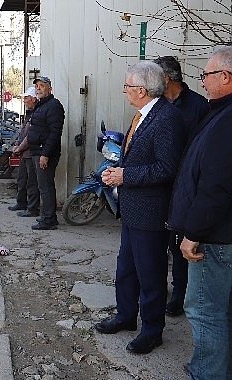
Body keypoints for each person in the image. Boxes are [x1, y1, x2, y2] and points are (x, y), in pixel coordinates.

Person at [94, 61, 185, 355]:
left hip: (151, 213)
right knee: (126, 270)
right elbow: (136, 159)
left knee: (151, 274)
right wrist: (117, 171)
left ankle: (152, 330)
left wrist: (126, 176)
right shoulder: (142, 116)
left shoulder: (166, 118)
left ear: (143, 90)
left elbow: (167, 168)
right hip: (133, 210)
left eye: (128, 86)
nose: (124, 91)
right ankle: (125, 316)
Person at [166, 46, 232, 379]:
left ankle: (207, 373)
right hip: (218, 235)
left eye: (206, 75)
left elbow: (218, 186)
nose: (203, 82)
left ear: (225, 77)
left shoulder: (226, 119)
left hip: (214, 238)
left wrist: (192, 233)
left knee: (205, 310)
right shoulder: (218, 113)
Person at [153, 56, 209, 317]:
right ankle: (157, 287)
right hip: (158, 184)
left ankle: (179, 294)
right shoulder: (158, 105)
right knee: (158, 240)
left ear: (166, 78)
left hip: (186, 186)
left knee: (179, 243)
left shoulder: (199, 106)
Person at [26, 76, 65, 230]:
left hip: (45, 153)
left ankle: (49, 219)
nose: (39, 89)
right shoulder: (41, 105)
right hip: (38, 152)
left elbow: (55, 133)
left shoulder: (54, 106)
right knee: (43, 185)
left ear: (50, 88)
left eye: (42, 86)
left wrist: (45, 154)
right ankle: (48, 217)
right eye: (37, 87)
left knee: (46, 186)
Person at [8, 86, 40, 217]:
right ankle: (21, 203)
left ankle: (32, 209)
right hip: (24, 153)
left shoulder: (37, 114)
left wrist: (19, 148)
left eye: (26, 98)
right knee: (22, 179)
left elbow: (30, 136)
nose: (24, 100)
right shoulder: (29, 113)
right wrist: (17, 144)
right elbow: (23, 133)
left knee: (32, 182)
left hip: (31, 153)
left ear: (33, 99)